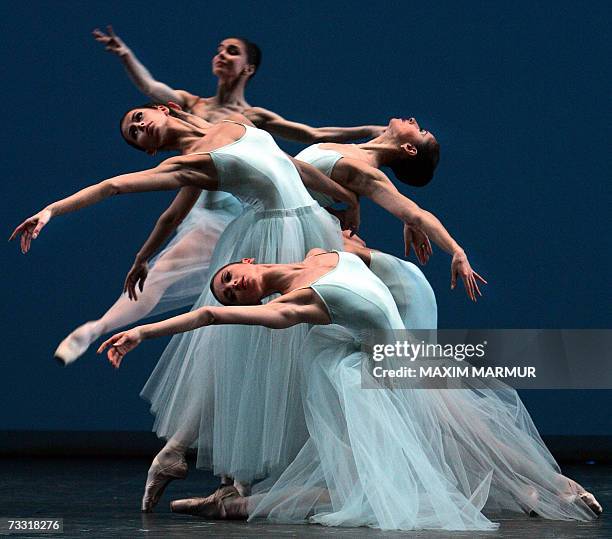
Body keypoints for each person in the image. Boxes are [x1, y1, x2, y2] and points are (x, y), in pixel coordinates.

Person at [96, 250, 601, 530]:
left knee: (460, 432)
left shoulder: (320, 251)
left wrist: (435, 242)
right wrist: (143, 331)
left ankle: (544, 487)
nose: (232, 287)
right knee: (382, 479)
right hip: (370, 368)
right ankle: (232, 507)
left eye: (230, 277)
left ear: (246, 261)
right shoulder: (294, 304)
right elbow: (208, 314)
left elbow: (361, 227)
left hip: (394, 351)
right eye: (230, 291)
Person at [11, 105, 358, 511]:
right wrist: (51, 211)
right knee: (249, 354)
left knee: (299, 346)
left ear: (164, 110)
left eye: (137, 118)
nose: (139, 126)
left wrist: (342, 196)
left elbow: (289, 165)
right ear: (149, 150)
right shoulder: (192, 164)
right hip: (269, 239)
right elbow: (114, 187)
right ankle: (228, 477)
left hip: (308, 223)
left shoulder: (235, 125)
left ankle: (191, 461)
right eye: (134, 133)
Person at [52, 28, 385, 364]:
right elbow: (151, 90)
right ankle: (99, 326)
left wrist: (371, 134)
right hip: (211, 216)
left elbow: (312, 137)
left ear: (248, 68)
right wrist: (126, 56)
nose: (221, 55)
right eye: (219, 50)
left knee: (328, 271)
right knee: (165, 272)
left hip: (252, 212)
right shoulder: (190, 105)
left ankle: (386, 347)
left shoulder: (253, 119)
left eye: (231, 50)